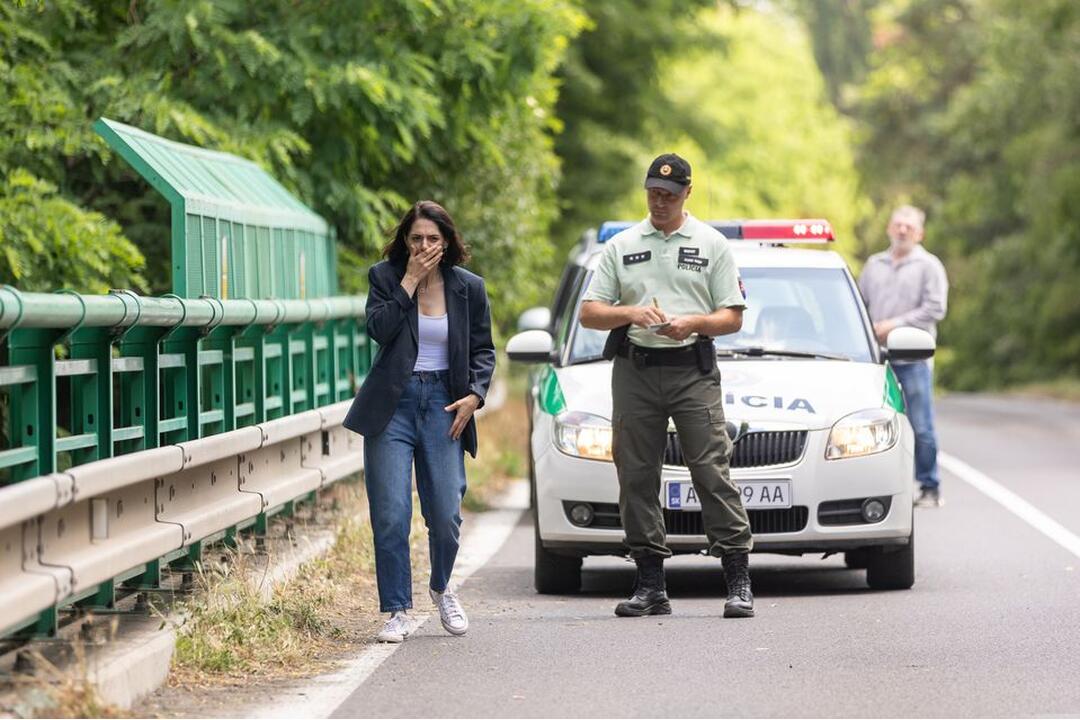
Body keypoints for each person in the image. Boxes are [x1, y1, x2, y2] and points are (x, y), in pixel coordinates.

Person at [579, 153, 754, 619]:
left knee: (710, 469)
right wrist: (631, 313)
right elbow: (590, 312)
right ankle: (650, 584)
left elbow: (732, 316)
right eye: (653, 193)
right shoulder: (622, 245)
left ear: (686, 195)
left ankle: (737, 579)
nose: (659, 202)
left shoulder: (712, 244)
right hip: (635, 369)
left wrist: (694, 322)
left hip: (691, 370)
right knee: (636, 474)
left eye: (669, 196)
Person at [343, 200, 496, 642]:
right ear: (404, 242)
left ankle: (442, 587)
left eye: (433, 238)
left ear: (447, 242)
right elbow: (380, 329)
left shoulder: (469, 288)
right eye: (416, 239)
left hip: (446, 406)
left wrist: (475, 395)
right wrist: (409, 281)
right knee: (391, 513)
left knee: (446, 511)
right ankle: (397, 609)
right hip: (393, 404)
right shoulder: (385, 277)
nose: (424, 246)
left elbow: (484, 350)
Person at [858, 205, 948, 508]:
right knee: (871, 425)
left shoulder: (929, 266)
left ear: (919, 232)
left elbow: (936, 308)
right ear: (889, 228)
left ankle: (929, 485)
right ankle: (875, 486)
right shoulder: (874, 265)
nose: (902, 230)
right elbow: (860, 304)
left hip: (914, 357)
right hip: (877, 359)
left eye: (909, 226)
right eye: (898, 224)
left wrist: (894, 325)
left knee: (921, 426)